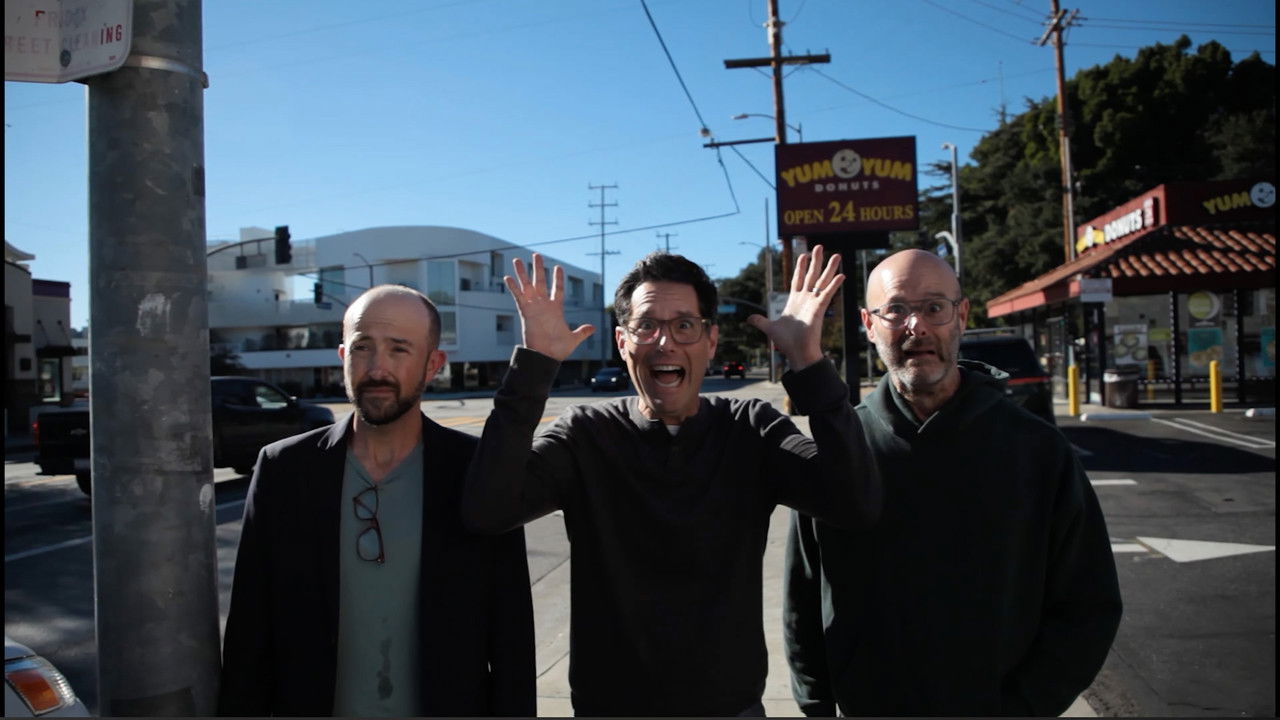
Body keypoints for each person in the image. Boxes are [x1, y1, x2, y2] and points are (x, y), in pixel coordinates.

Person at [461, 247, 881, 716]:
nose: (665, 342)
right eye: (646, 325)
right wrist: (534, 365)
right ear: (623, 343)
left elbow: (854, 502)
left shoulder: (752, 428)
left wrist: (808, 361)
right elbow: (487, 510)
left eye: (685, 325)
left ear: (711, 340)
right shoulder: (586, 435)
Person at [784, 249, 1122, 716]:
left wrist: (1022, 707)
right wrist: (818, 705)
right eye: (896, 309)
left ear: (961, 316)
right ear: (868, 323)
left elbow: (1089, 605)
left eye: (934, 308)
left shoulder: (1037, 451)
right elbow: (802, 595)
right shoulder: (839, 448)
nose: (915, 326)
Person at [218, 285, 535, 717]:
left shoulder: (476, 472)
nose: (377, 367)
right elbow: (249, 636)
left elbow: (511, 638)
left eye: (399, 350)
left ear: (432, 365)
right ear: (343, 357)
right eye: (363, 348)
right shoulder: (284, 470)